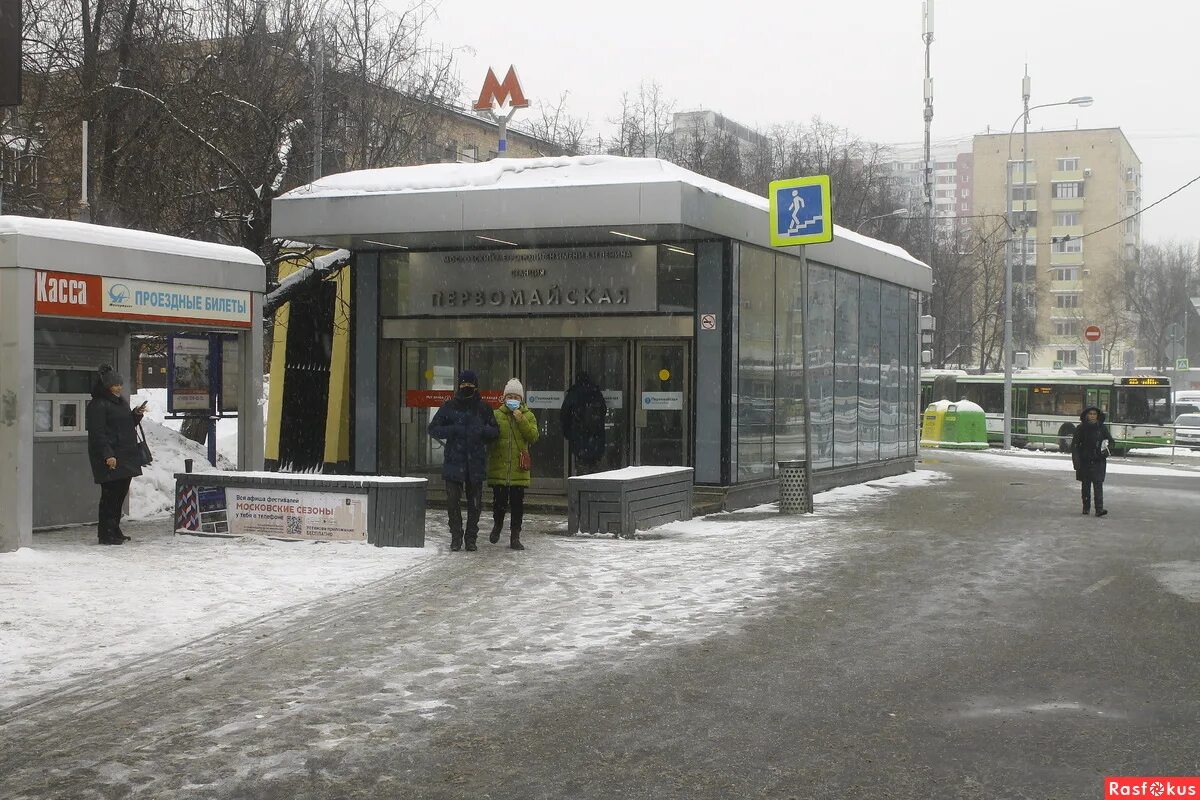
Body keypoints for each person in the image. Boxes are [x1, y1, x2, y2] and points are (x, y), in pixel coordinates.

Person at [428, 370, 499, 551]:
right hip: (454, 462)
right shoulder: (449, 406)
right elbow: (433, 428)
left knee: (475, 504)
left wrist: (482, 431)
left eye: (470, 385)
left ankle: (471, 538)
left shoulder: (483, 408)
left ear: (476, 386)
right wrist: (453, 429)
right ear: (459, 386)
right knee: (453, 501)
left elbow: (495, 431)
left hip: (475, 463)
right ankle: (456, 537)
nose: (467, 388)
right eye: (464, 384)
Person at [86, 365, 148, 545]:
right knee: (109, 497)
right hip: (111, 457)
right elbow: (98, 434)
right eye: (114, 385)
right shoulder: (98, 404)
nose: (118, 387)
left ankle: (114, 529)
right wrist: (108, 455)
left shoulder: (119, 402)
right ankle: (105, 534)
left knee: (119, 495)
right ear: (106, 386)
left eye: (119, 384)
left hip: (124, 456)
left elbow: (125, 425)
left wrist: (135, 415)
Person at [487, 378, 539, 551]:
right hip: (499, 467)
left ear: (521, 399)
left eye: (516, 396)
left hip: (518, 469)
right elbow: (489, 438)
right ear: (504, 397)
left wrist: (521, 419)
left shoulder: (528, 415)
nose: (512, 399)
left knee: (517, 505)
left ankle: (515, 536)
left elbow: (533, 436)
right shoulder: (496, 415)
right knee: (499, 502)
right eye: (509, 396)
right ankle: (497, 526)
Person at [1071, 406, 1115, 517]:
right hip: (1085, 460)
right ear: (1086, 415)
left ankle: (1099, 509)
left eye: (1094, 414)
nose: (1092, 416)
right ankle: (1086, 507)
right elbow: (1075, 446)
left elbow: (1111, 442)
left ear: (1097, 415)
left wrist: (1106, 451)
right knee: (1086, 485)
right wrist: (1076, 461)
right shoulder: (1081, 428)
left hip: (1098, 460)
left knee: (1098, 484)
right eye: (1090, 414)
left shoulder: (1102, 428)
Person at [561, 371, 607, 470]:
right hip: (596, 437)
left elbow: (564, 415)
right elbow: (603, 411)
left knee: (582, 468)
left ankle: (584, 481)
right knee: (594, 467)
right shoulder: (596, 392)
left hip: (580, 437)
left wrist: (568, 433)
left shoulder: (573, 394)